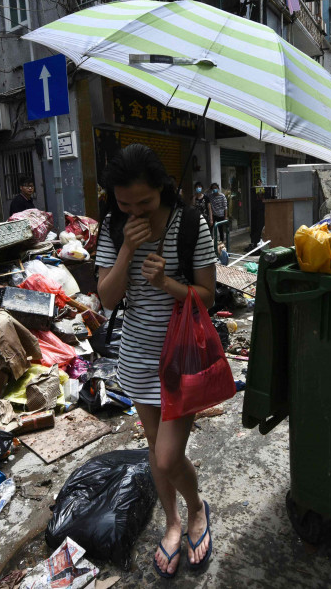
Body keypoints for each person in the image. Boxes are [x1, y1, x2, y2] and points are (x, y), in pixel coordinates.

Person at [94, 145, 218, 579]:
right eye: (124, 202)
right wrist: (127, 250)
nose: (134, 210)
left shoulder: (191, 225)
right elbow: (107, 299)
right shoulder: (113, 227)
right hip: (136, 357)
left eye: (144, 202)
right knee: (153, 447)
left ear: (163, 190)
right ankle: (172, 522)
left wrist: (166, 282)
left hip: (183, 358)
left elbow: (207, 295)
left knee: (166, 458)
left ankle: (197, 508)